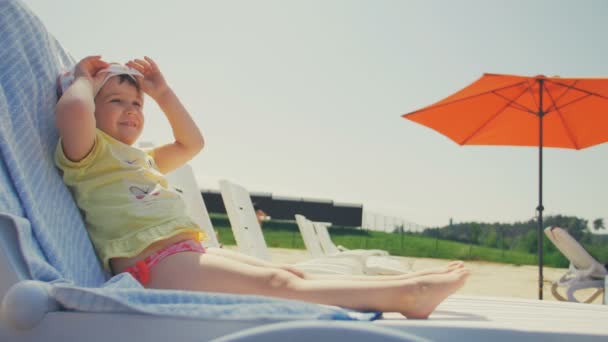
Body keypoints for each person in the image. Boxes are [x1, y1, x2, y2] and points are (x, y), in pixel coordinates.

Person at [54, 55, 469, 319]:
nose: (130, 111)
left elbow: (192, 144)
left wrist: (162, 94)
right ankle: (410, 295)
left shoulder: (142, 159)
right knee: (279, 287)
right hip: (152, 267)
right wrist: (83, 78)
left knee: (285, 271)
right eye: (115, 101)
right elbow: (72, 109)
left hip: (187, 253)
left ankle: (398, 288)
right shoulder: (90, 153)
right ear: (92, 106)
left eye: (136, 104)